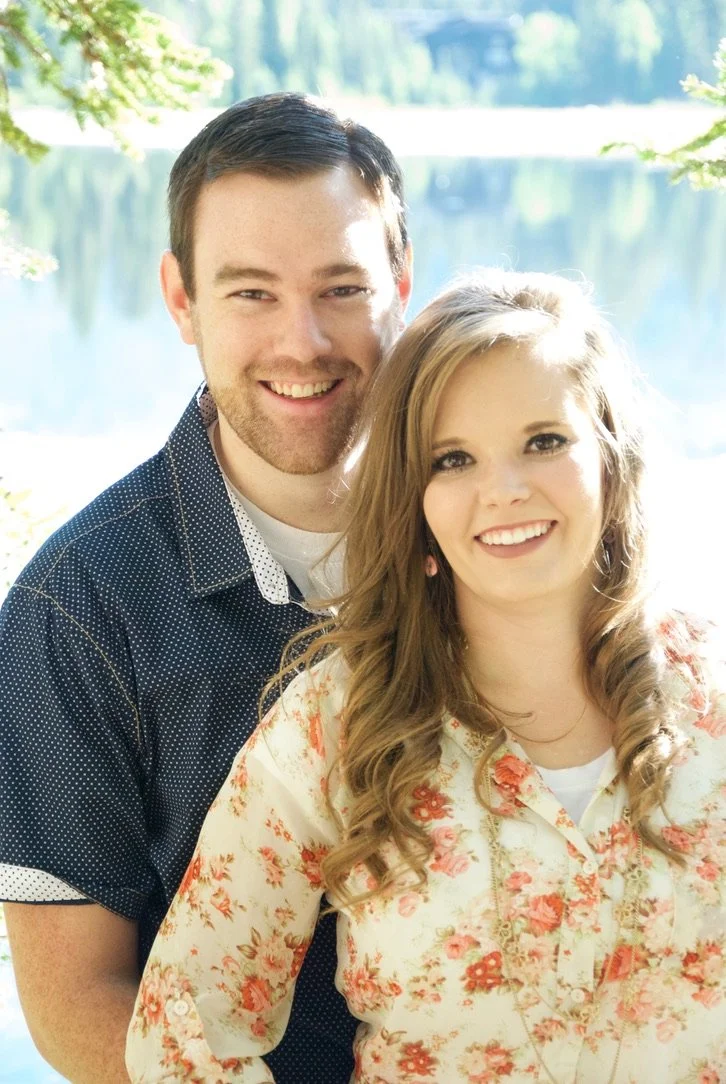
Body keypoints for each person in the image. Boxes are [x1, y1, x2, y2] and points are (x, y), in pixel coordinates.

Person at [126, 269, 726, 1083]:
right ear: (413, 499)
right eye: (453, 459)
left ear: (611, 459)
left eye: (544, 441)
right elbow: (186, 1028)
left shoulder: (713, 694)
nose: (505, 491)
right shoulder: (335, 725)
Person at [0, 92, 412, 1084]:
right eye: (251, 292)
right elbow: (76, 1002)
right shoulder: (76, 612)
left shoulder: (499, 539)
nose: (303, 341)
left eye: (343, 288)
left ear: (402, 282)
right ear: (180, 298)